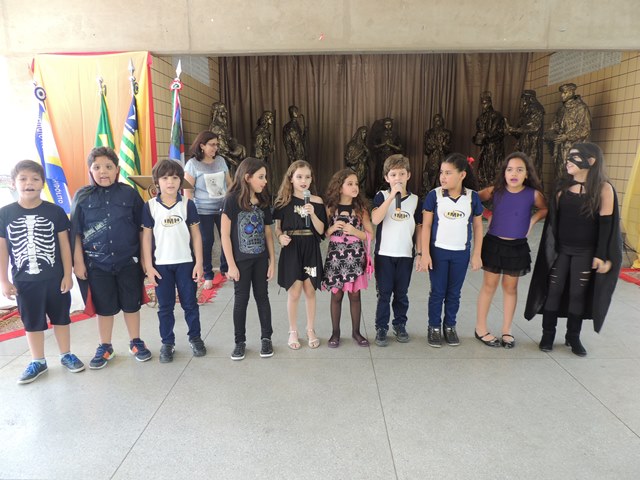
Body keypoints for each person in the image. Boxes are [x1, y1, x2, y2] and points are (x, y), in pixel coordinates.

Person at [525, 143, 622, 356]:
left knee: (577, 293)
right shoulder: (562, 187)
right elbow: (553, 223)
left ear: (591, 161)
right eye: (568, 156)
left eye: (574, 156)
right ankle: (548, 335)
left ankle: (573, 336)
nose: (568, 160)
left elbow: (606, 226)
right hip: (561, 250)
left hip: (585, 252)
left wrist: (601, 255)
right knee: (554, 290)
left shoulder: (603, 189)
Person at [0, 160, 84, 384]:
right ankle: (38, 360)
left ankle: (66, 354)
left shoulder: (54, 211)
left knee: (61, 318)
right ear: (13, 183)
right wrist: (4, 280)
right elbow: (2, 249)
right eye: (23, 179)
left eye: (35, 179)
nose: (29, 183)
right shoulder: (5, 214)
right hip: (24, 281)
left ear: (42, 183)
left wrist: (67, 275)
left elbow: (64, 245)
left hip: (55, 279)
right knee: (31, 321)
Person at [71, 146, 151, 369]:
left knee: (131, 304)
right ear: (90, 170)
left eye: (108, 166)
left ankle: (136, 342)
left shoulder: (129, 194)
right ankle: (105, 346)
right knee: (104, 307)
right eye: (97, 167)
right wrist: (78, 262)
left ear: (117, 169)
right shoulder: (82, 196)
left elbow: (142, 229)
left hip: (128, 261)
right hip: (97, 264)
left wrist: (145, 260)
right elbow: (75, 232)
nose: (103, 171)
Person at [474, 152, 548, 348]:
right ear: (504, 173)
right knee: (489, 286)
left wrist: (532, 221)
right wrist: (487, 213)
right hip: (494, 244)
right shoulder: (495, 191)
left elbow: (544, 209)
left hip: (517, 247)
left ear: (527, 174)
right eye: (510, 169)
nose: (514, 174)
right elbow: (473, 199)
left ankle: (507, 330)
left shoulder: (533, 194)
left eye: (519, 170)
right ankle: (480, 328)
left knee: (510, 288)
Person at [142, 160, 206, 363]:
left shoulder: (187, 204)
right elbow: (146, 238)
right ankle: (167, 342)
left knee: (190, 304)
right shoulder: (150, 206)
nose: (170, 182)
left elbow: (196, 235)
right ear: (156, 182)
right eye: (165, 178)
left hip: (186, 263)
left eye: (175, 177)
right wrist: (149, 266)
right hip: (161, 266)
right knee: (165, 307)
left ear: (181, 181)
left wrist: (199, 263)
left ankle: (195, 338)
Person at [420, 153, 483, 347]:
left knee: (454, 293)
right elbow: (426, 226)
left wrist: (477, 254)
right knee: (437, 292)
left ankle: (450, 326)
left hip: (461, 254)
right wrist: (425, 254)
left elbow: (478, 227)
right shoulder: (434, 195)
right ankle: (434, 327)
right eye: (441, 172)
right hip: (438, 253)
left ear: (462, 175)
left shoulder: (472, 197)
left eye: (448, 173)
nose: (443, 177)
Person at [221, 157, 275, 361]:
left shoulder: (263, 201)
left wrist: (272, 261)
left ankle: (266, 338)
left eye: (265, 177)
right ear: (247, 177)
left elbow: (268, 233)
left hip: (260, 259)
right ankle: (239, 341)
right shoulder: (231, 200)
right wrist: (231, 265)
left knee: (262, 297)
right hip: (240, 262)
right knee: (241, 300)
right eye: (261, 177)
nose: (265, 181)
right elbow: (225, 235)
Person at [273, 160, 327, 350]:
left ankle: (310, 329)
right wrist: (280, 237)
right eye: (299, 177)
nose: (304, 181)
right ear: (291, 178)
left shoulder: (317, 201)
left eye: (307, 177)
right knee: (294, 292)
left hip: (310, 248)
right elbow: (277, 229)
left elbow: (321, 230)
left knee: (310, 290)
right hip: (292, 249)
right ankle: (293, 330)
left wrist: (312, 214)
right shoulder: (282, 202)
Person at [371, 154, 422, 346]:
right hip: (384, 254)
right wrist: (392, 196)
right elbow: (376, 219)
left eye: (401, 174)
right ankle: (381, 327)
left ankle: (400, 324)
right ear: (387, 178)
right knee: (384, 293)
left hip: (405, 254)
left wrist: (420, 253)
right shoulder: (382, 196)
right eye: (393, 175)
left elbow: (419, 229)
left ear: (408, 175)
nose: (398, 178)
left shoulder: (415, 200)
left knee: (401, 293)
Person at [321, 168, 373, 348]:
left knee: (355, 295)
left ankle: (356, 332)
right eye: (349, 184)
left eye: (356, 184)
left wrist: (355, 231)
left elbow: (370, 233)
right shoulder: (330, 208)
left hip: (355, 257)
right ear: (339, 187)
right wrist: (332, 228)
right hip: (336, 258)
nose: (354, 187)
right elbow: (323, 233)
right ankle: (335, 333)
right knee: (336, 296)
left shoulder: (360, 210)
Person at [184, 131, 231, 288]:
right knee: (206, 241)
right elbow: (188, 191)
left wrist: (233, 201)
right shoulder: (192, 164)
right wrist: (190, 211)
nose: (215, 148)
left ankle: (225, 268)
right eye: (212, 145)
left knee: (227, 237)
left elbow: (229, 183)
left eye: (217, 145)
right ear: (202, 146)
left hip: (223, 208)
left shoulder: (221, 161)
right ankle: (208, 274)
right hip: (202, 210)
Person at [544, 83, 592, 179]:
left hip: (574, 149)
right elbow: (553, 127)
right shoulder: (561, 110)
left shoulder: (581, 108)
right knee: (559, 176)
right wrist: (553, 136)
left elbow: (585, 128)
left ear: (571, 92)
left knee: (571, 177)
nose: (562, 95)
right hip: (560, 150)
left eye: (565, 93)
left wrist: (567, 136)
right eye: (562, 93)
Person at [505, 90, 545, 184]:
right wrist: (511, 130)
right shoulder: (525, 112)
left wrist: (514, 130)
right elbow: (520, 132)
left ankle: (533, 192)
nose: (522, 102)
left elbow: (533, 127)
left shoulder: (536, 109)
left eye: (524, 99)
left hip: (532, 147)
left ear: (529, 98)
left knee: (532, 171)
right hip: (523, 147)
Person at [473, 91, 505, 188]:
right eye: (482, 103)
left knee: (494, 172)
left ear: (490, 102)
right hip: (485, 150)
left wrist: (486, 136)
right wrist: (476, 139)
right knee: (482, 172)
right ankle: (484, 192)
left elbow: (500, 133)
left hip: (495, 149)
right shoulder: (480, 119)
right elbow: (478, 134)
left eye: (485, 103)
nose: (484, 105)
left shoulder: (497, 116)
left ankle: (494, 192)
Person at [422, 114, 452, 195]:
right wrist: (434, 146)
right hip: (432, 159)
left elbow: (449, 148)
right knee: (430, 178)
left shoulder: (447, 133)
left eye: (439, 120)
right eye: (436, 120)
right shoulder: (429, 133)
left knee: (443, 177)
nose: (438, 122)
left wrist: (443, 146)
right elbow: (426, 149)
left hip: (443, 158)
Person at [344, 126, 370, 192]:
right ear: (359, 133)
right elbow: (349, 158)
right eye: (363, 133)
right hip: (353, 168)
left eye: (365, 133)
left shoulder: (364, 145)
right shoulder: (352, 145)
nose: (365, 135)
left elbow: (367, 155)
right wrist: (356, 159)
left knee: (361, 186)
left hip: (362, 168)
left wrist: (365, 156)